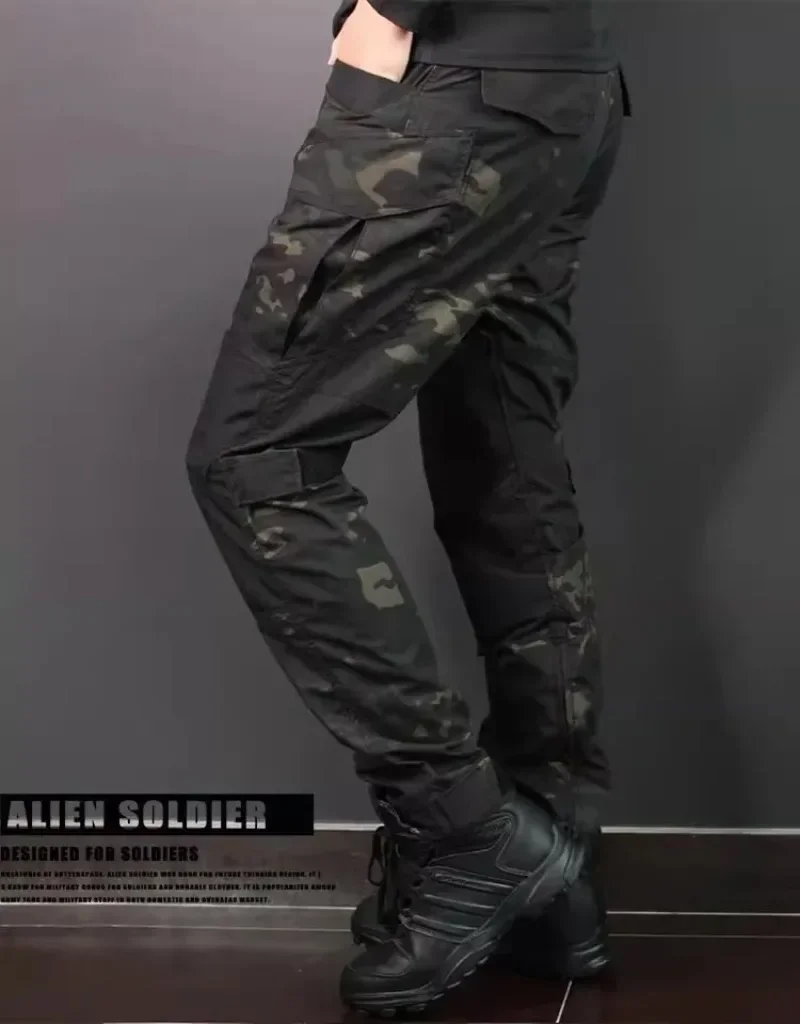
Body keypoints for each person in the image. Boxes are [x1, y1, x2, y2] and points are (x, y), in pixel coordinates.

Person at [186, 0, 630, 1014]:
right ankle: (552, 870)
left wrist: (383, 15)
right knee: (506, 473)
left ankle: (469, 832)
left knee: (254, 458)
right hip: (561, 85)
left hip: (454, 85)